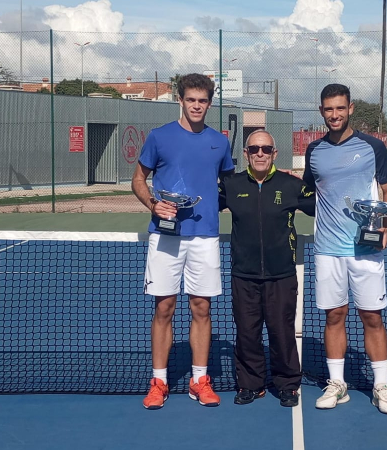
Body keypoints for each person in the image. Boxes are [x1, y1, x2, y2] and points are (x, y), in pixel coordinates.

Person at [132, 73, 235, 410]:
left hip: (205, 237)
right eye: (191, 100)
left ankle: (199, 380)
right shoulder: (159, 137)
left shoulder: (220, 142)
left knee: (201, 308)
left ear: (209, 102)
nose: (196, 106)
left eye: (202, 101)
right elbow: (138, 179)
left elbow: (229, 187)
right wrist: (152, 203)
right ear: (180, 100)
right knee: (164, 307)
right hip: (165, 236)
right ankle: (159, 382)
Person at [302, 83, 387, 414]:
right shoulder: (313, 151)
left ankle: (381, 386)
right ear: (321, 111)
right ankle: (337, 384)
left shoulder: (374, 147)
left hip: (365, 250)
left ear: (351, 108)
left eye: (340, 108)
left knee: (371, 317)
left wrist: (386, 227)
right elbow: (307, 191)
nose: (334, 115)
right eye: (329, 109)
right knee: (335, 315)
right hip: (328, 249)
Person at [218, 130, 315, 407]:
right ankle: (251, 384)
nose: (260, 154)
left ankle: (287, 384)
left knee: (281, 331)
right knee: (247, 332)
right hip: (243, 274)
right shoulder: (231, 185)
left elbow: (321, 203)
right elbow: (204, 204)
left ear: (274, 153)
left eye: (266, 149)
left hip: (282, 274)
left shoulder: (291, 184)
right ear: (246, 154)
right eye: (254, 149)